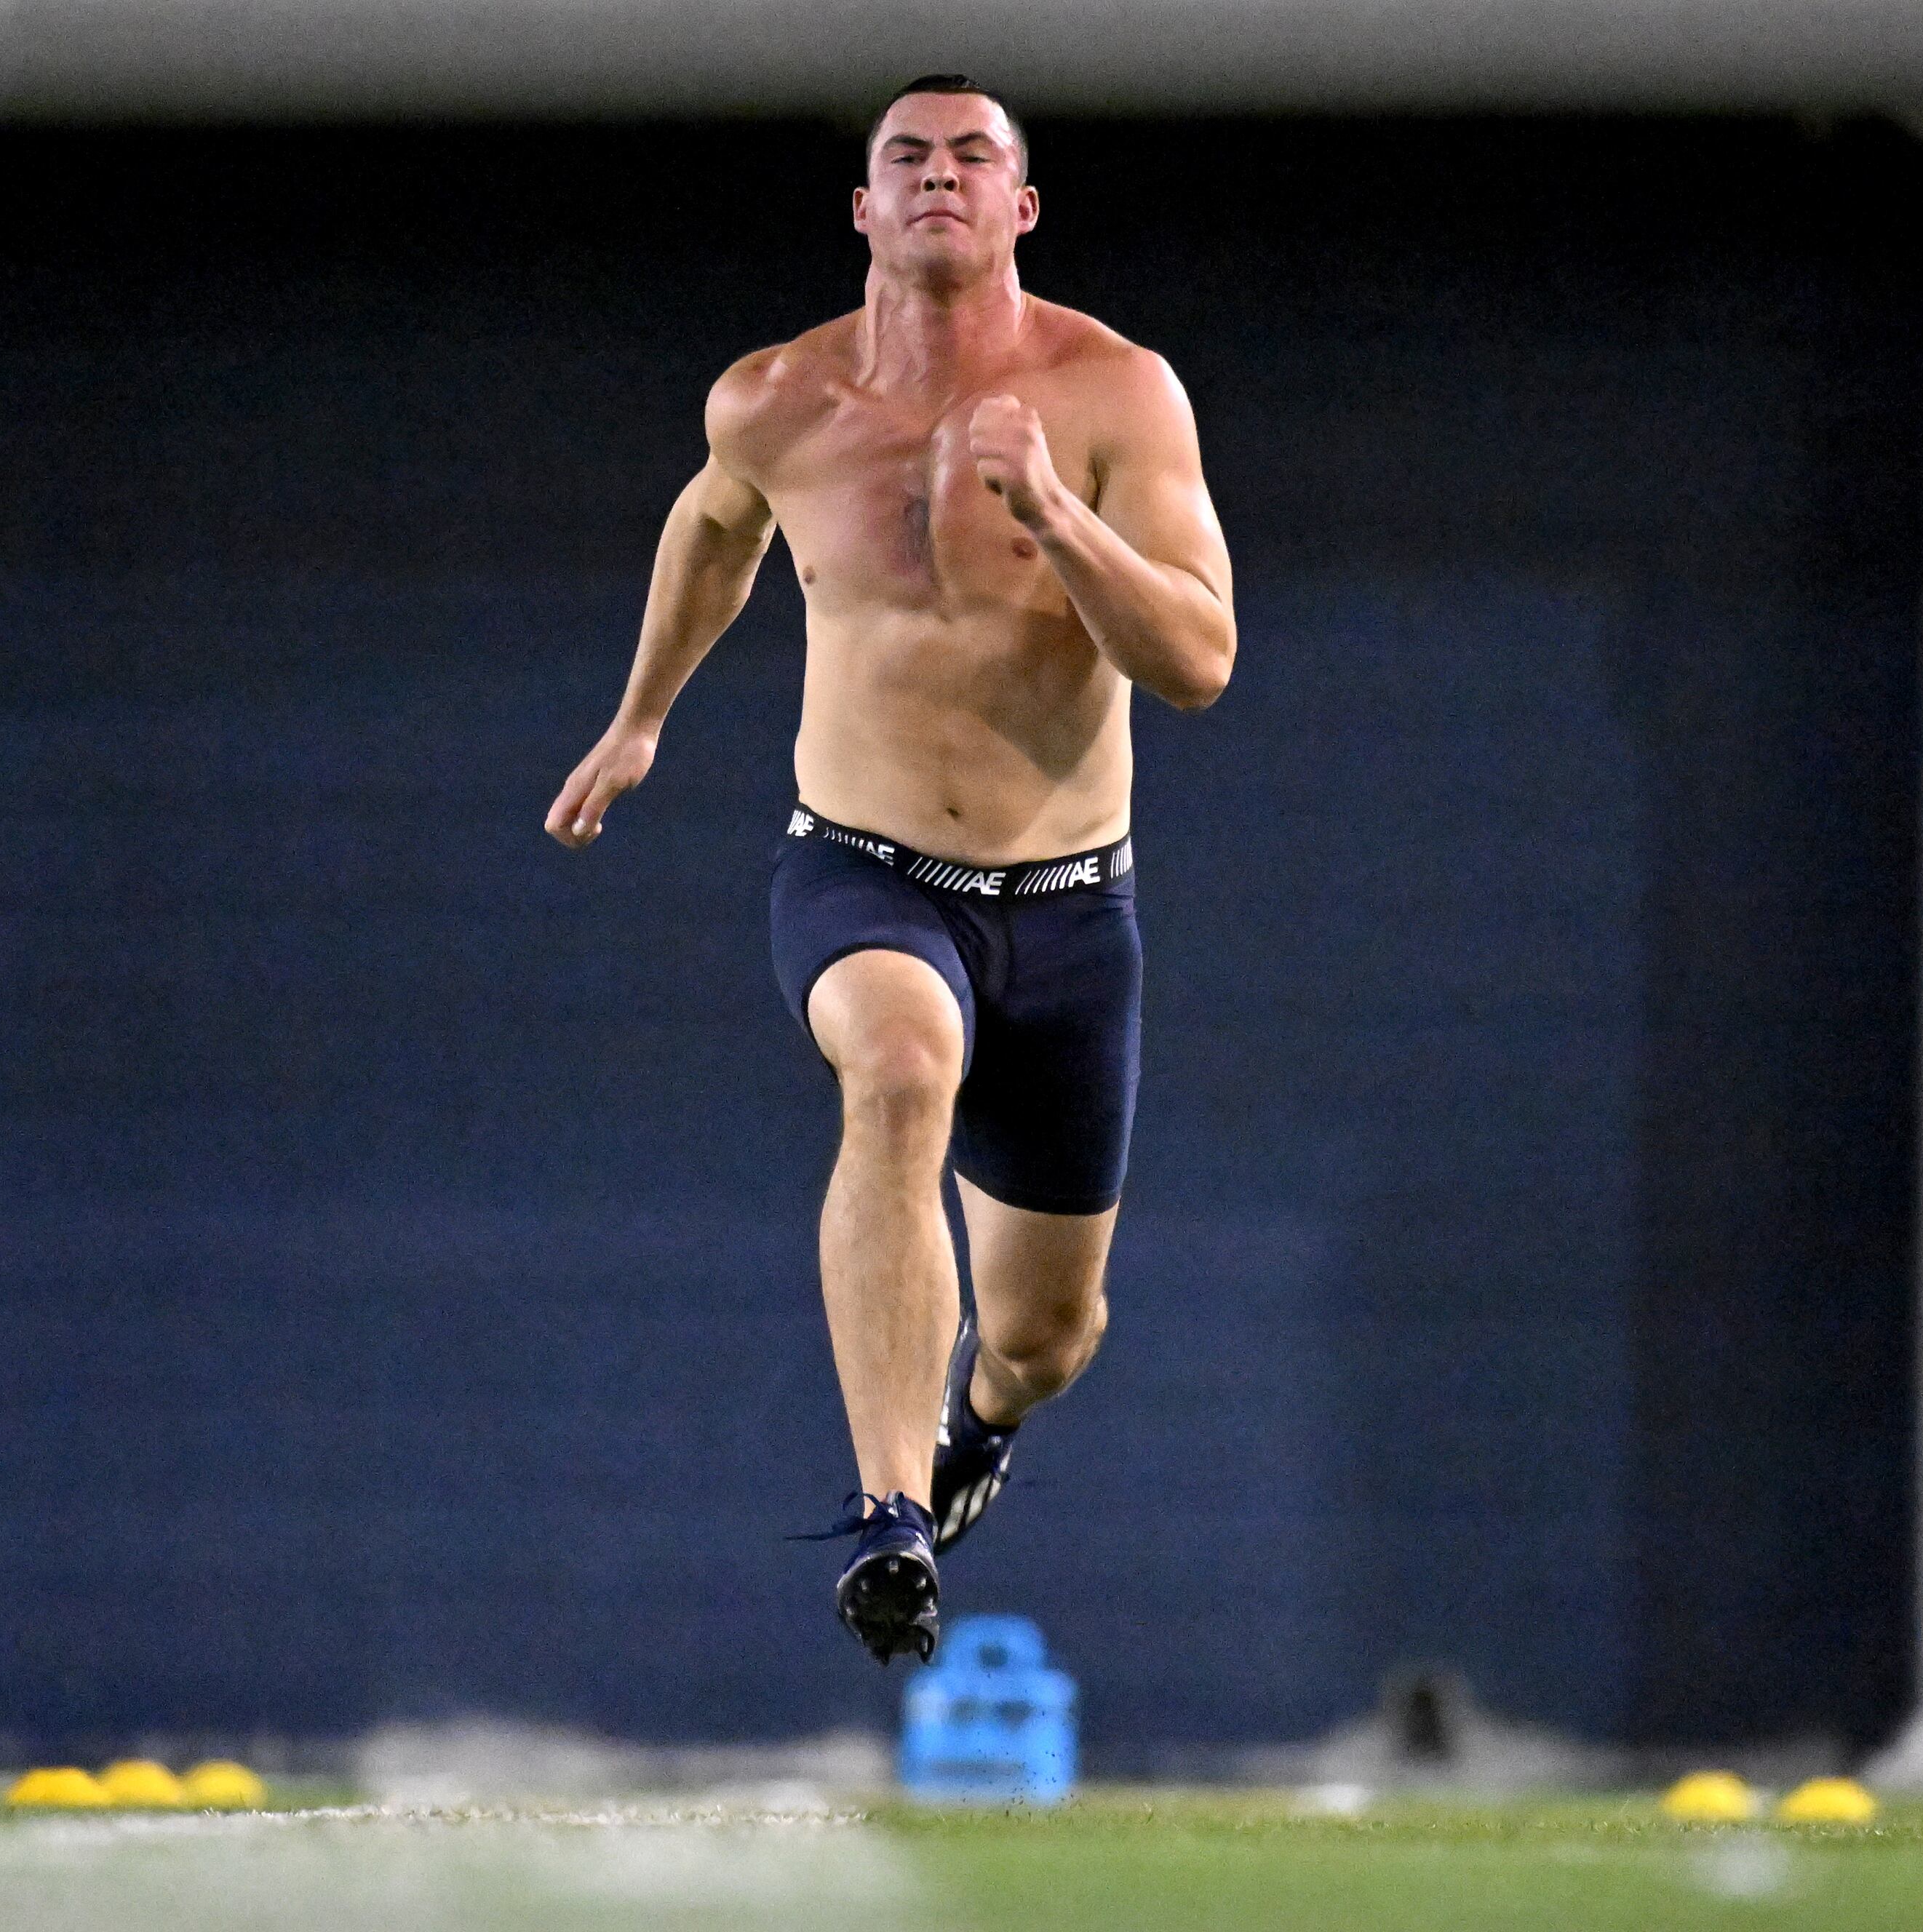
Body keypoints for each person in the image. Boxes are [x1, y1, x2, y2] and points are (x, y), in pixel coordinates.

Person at [545, 74, 1235, 1664]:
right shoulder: (776, 398)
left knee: (1051, 1335)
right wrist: (645, 713)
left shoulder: (1119, 395)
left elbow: (1198, 660)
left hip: (1068, 909)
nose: (938, 176)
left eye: (972, 157)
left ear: (1021, 209)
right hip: (862, 872)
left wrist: (1054, 511)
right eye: (906, 158)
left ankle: (979, 1424)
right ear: (864, 209)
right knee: (901, 1071)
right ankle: (890, 1517)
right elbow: (717, 527)